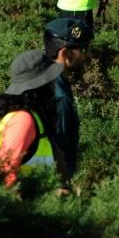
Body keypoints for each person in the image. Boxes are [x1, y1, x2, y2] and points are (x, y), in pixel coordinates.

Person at [0, 50, 67, 189]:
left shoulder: (33, 118)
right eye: (50, 79)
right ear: (40, 86)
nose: (54, 83)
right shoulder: (23, 120)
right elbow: (4, 174)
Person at [42, 16, 95, 181]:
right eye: (84, 50)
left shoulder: (44, 77)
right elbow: (60, 152)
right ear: (65, 54)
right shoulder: (59, 97)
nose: (89, 56)